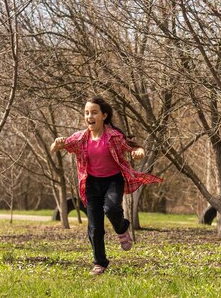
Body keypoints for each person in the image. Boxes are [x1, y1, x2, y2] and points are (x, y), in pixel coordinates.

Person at [51, 96, 163, 276]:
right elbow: (55, 147)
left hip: (113, 180)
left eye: (94, 112)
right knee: (95, 226)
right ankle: (99, 263)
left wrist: (139, 153)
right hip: (91, 183)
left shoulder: (113, 136)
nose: (89, 116)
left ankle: (122, 227)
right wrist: (57, 143)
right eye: (87, 113)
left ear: (104, 115)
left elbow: (134, 148)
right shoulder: (80, 138)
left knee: (111, 209)